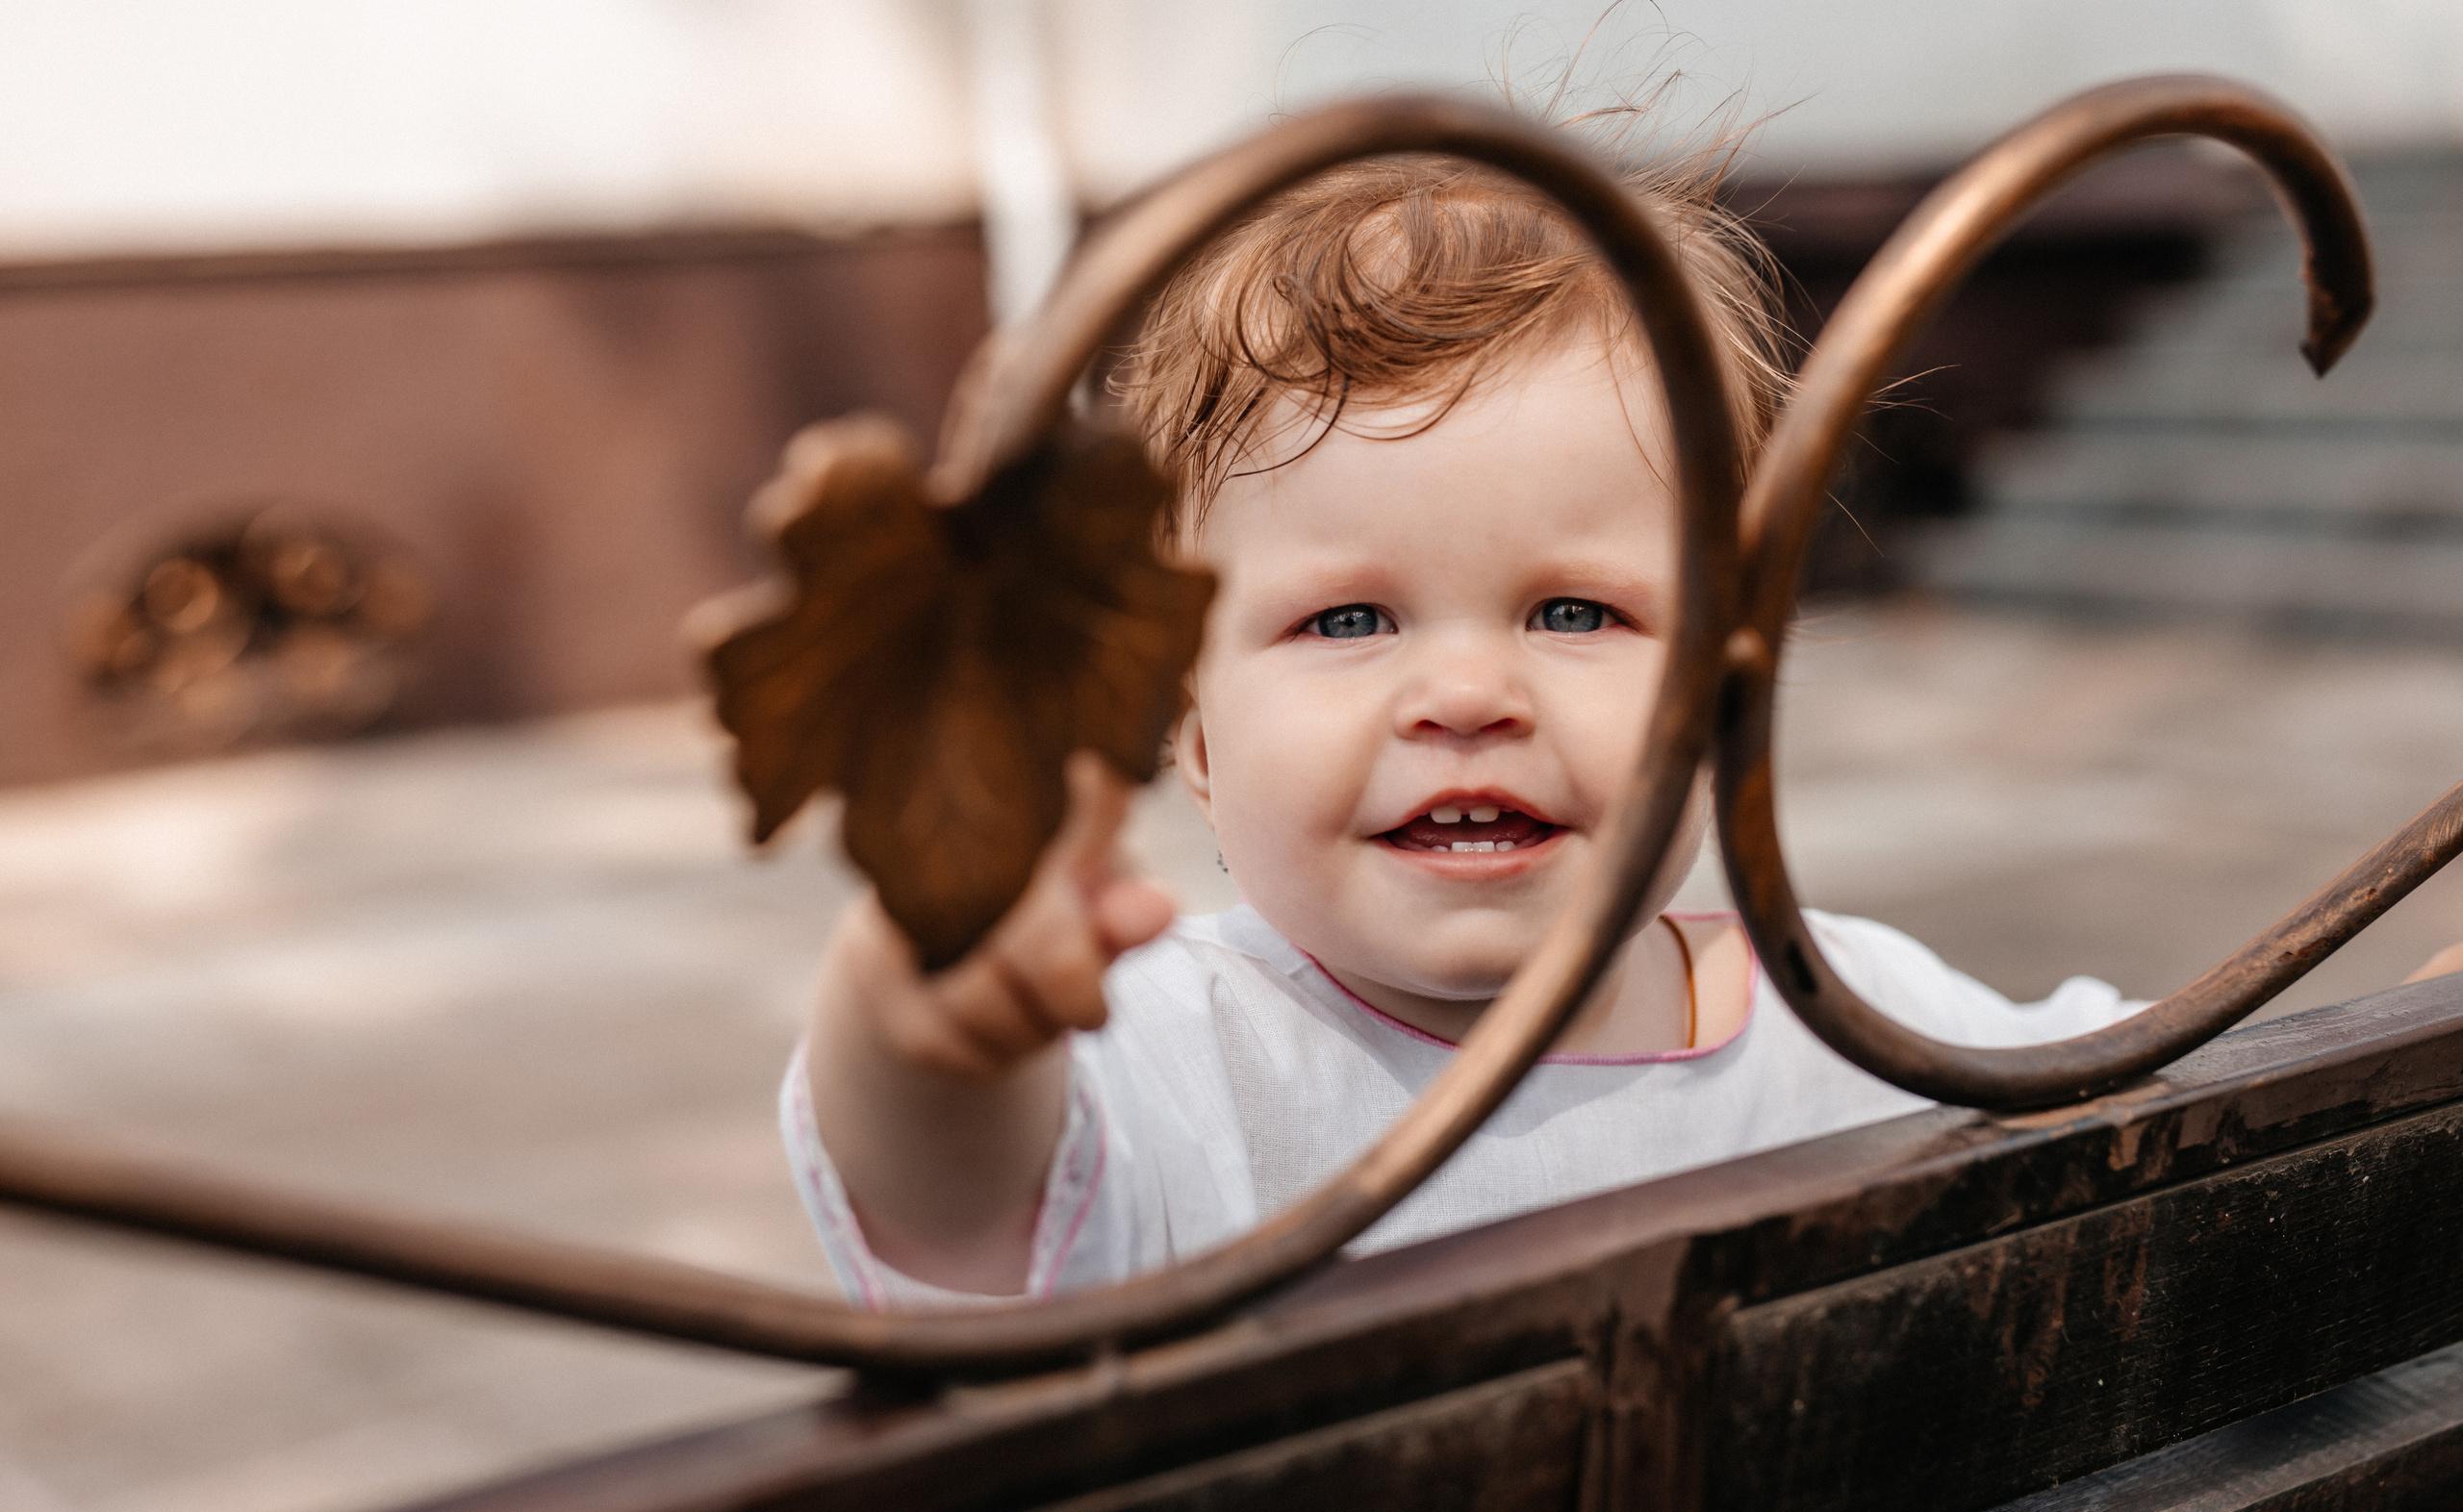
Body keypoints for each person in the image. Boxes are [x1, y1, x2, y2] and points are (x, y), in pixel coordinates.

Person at [780, 146, 2463, 1307]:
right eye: (1347, 620)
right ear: (1187, 733)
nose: (1466, 693)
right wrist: (929, 1012)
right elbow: (949, 1193)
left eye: (1574, 613)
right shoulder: (1162, 1059)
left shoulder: (1864, 1014)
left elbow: (2203, 1124)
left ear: (1722, 682)